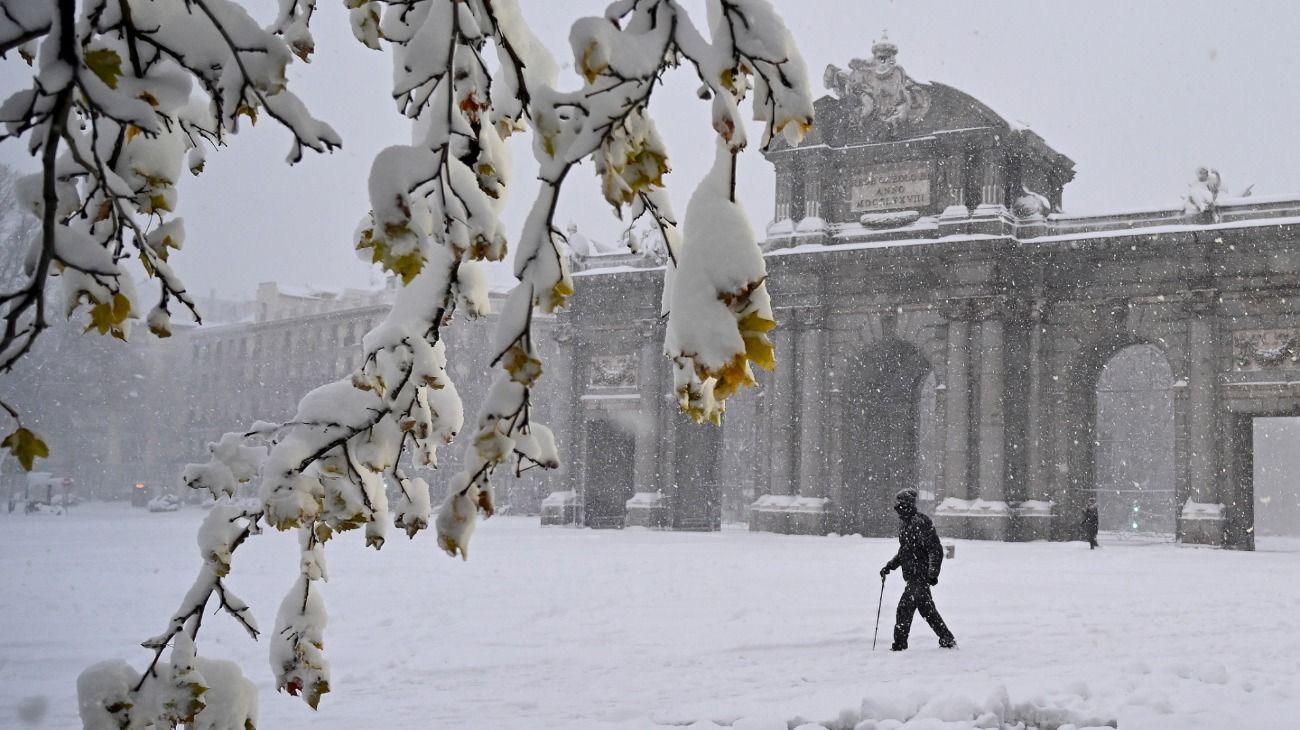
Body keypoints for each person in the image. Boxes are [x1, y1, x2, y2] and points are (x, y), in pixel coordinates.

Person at [879, 488, 956, 651]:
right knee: (927, 610)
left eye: (900, 504)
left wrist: (932, 574)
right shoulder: (905, 524)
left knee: (904, 608)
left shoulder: (921, 522)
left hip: (920, 576)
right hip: (912, 575)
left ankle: (899, 645)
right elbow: (904, 551)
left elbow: (935, 549)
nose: (897, 507)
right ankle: (947, 638)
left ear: (907, 504)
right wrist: (890, 566)